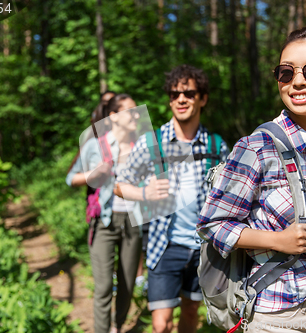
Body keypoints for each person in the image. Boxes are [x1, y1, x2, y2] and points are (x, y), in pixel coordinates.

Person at [197, 26, 306, 333]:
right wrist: (278, 240)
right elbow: (212, 224)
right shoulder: (257, 147)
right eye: (286, 73)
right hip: (276, 315)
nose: (298, 81)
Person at [114, 64, 229, 333]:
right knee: (161, 324)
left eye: (189, 93)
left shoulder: (216, 145)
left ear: (202, 98)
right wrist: (144, 193)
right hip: (163, 246)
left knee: (190, 313)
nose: (181, 99)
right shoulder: (151, 142)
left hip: (204, 249)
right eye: (175, 94)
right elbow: (120, 185)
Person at [79, 93, 143, 333]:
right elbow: (72, 177)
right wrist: (93, 175)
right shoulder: (96, 144)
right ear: (114, 116)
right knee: (104, 285)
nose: (136, 115)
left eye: (138, 111)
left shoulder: (142, 145)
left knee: (127, 284)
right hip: (104, 220)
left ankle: (117, 326)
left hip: (133, 221)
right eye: (131, 111)